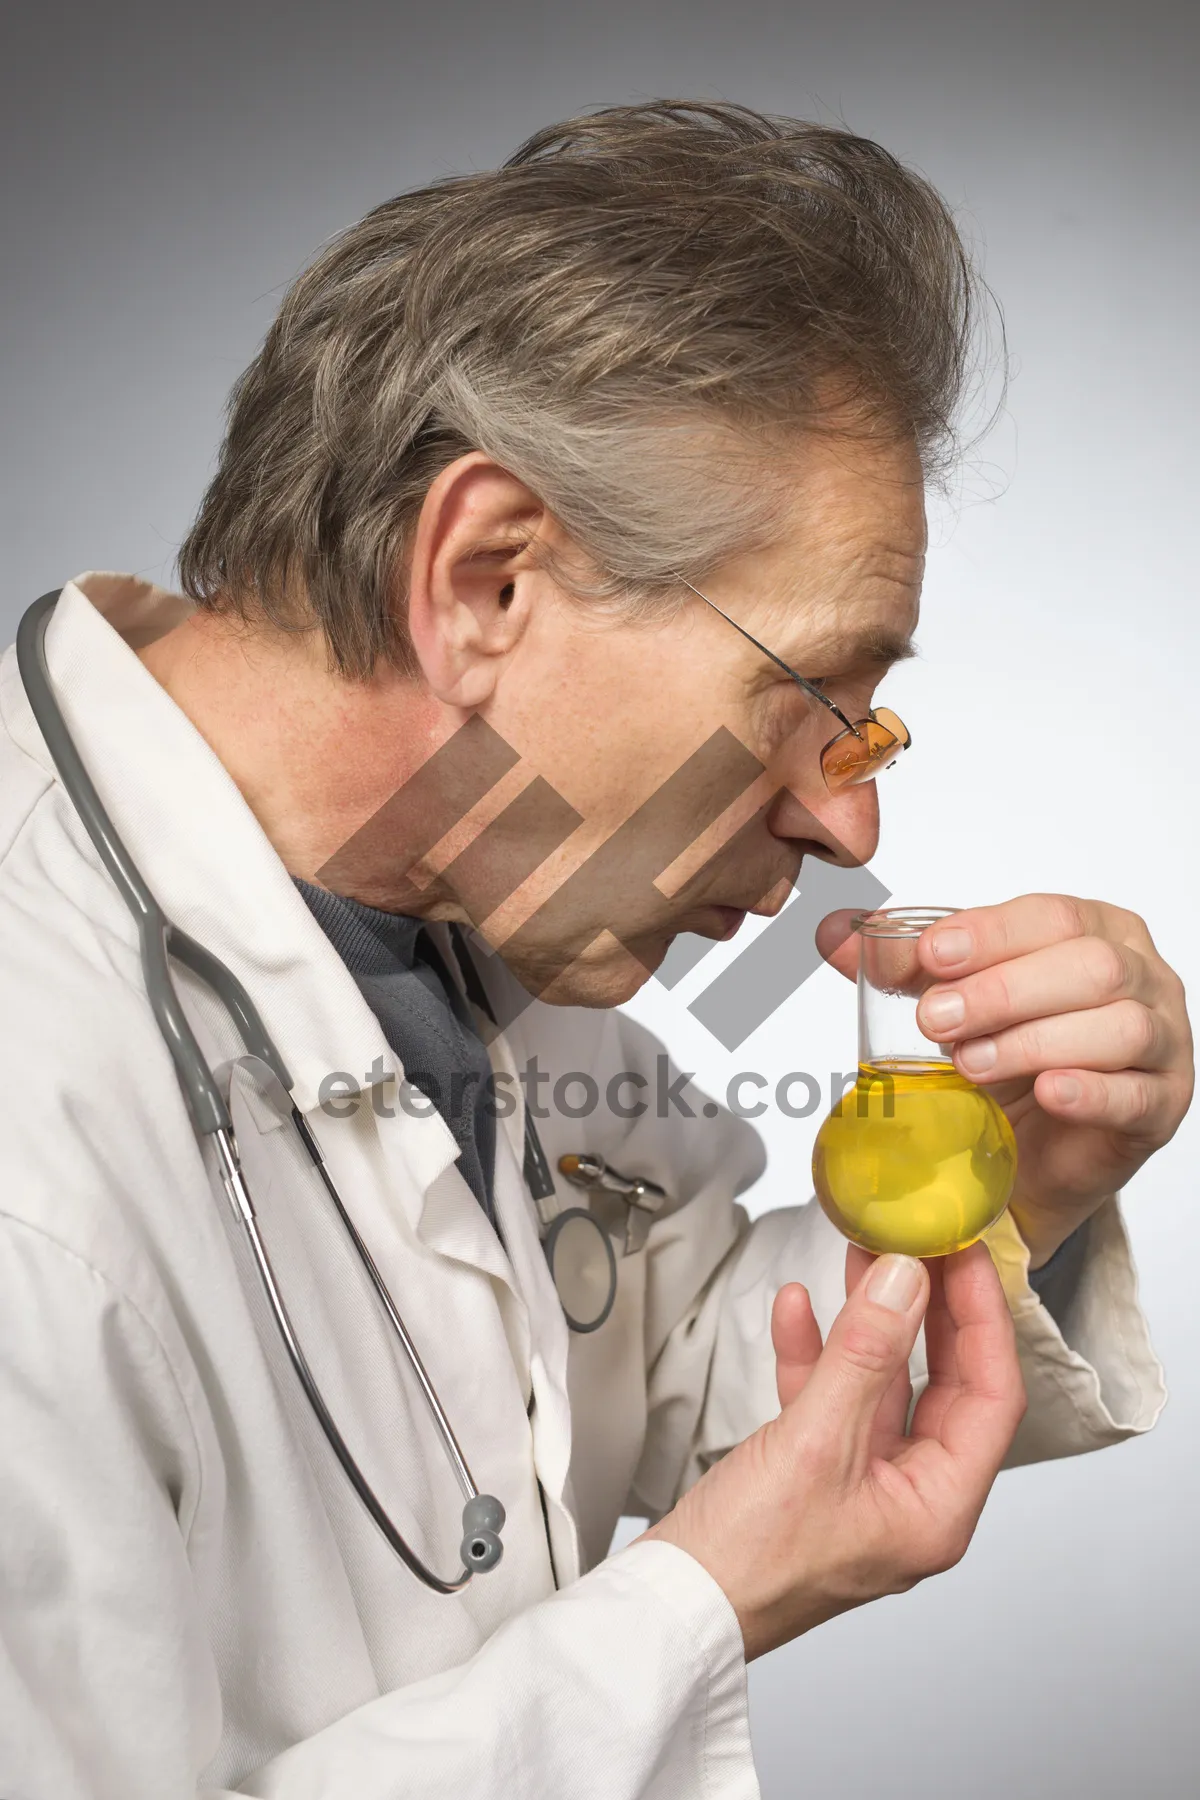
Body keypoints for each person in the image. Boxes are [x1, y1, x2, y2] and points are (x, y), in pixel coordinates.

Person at [0, 101, 1188, 1800]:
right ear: (487, 580)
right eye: (817, 697)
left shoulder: (472, 908)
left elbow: (675, 1352)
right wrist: (695, 1609)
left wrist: (1027, 1180)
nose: (853, 829)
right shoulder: (28, 1160)